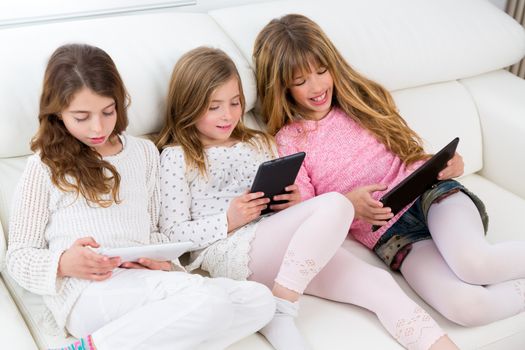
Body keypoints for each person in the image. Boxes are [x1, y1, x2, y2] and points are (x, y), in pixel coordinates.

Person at [156, 46, 456, 350]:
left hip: (290, 250)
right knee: (337, 203)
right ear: (188, 106)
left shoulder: (259, 141)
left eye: (235, 103)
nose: (228, 115)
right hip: (234, 250)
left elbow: (289, 207)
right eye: (214, 107)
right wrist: (228, 220)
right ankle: (283, 306)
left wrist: (293, 201)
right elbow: (171, 234)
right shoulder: (175, 157)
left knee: (378, 285)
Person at [254, 13, 525, 330]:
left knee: (475, 263)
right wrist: (348, 203)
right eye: (300, 81)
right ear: (282, 88)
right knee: (467, 308)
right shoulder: (289, 139)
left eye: (321, 71)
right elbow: (311, 215)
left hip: (430, 197)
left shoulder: (363, 98)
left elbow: (410, 152)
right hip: (393, 238)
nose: (316, 87)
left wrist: (451, 164)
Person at [6, 43, 275, 350]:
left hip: (145, 281)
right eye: (82, 117)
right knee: (210, 301)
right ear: (57, 113)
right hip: (88, 290)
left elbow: (155, 233)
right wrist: (64, 263)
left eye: (108, 112)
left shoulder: (144, 153)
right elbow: (18, 256)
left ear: (119, 104)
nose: (98, 127)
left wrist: (164, 263)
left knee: (259, 300)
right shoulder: (43, 166)